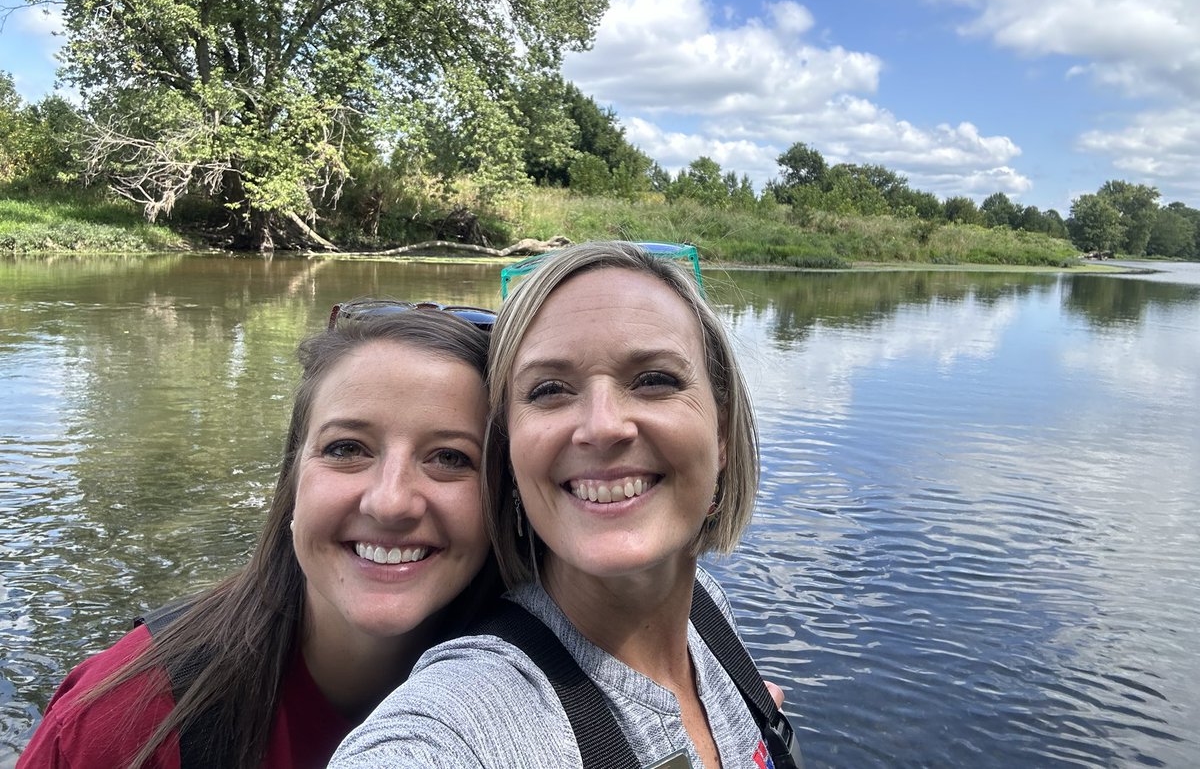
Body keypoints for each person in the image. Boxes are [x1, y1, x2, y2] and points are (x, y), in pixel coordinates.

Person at [332, 240, 788, 768]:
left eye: (654, 380)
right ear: (509, 453)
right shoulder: (462, 721)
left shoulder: (708, 613)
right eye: (549, 389)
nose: (602, 427)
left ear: (723, 431)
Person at [20, 303, 503, 769]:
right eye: (347, 448)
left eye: (450, 458)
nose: (390, 502)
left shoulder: (548, 695)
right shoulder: (122, 721)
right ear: (292, 479)